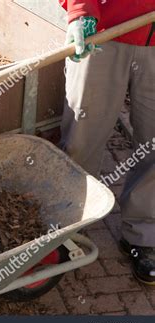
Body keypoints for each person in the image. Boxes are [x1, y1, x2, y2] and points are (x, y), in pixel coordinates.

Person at [59, 0, 155, 285]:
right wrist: (82, 12)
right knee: (82, 136)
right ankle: (69, 227)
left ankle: (143, 233)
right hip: (103, 34)